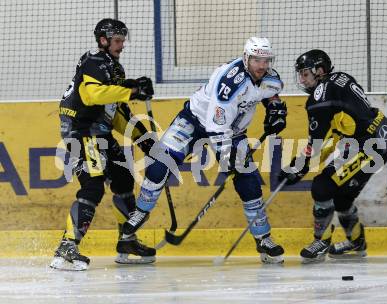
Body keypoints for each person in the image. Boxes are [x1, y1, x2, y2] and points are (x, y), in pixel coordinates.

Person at [119, 37, 288, 264]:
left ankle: (263, 238)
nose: (262, 65)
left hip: (233, 131)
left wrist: (275, 107)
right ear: (246, 58)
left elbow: (267, 93)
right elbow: (215, 127)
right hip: (195, 120)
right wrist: (228, 157)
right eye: (257, 60)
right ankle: (139, 213)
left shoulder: (269, 77)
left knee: (248, 181)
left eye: (266, 60)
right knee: (160, 164)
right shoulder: (229, 82)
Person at [50, 18, 156, 271]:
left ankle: (127, 241)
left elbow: (117, 111)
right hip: (81, 132)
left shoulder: (114, 68)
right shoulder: (94, 61)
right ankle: (67, 247)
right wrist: (131, 90)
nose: (121, 46)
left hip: (100, 133)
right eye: (117, 41)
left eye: (122, 41)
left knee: (123, 179)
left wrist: (144, 140)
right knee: (93, 185)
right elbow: (93, 95)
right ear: (103, 40)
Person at [279, 49, 387, 263]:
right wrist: (301, 164)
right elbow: (333, 135)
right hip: (378, 139)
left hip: (369, 145)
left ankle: (321, 242)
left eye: (305, 74)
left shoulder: (319, 98)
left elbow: (316, 143)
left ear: (320, 71)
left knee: (322, 186)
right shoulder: (340, 79)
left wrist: (300, 167)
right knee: (342, 197)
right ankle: (356, 242)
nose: (301, 79)